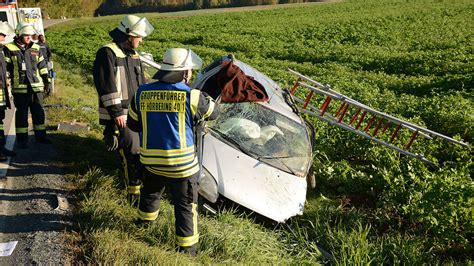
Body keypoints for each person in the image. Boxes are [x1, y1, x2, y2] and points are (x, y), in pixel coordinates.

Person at [127, 48, 219, 256]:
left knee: (150, 194)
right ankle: (187, 251)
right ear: (185, 72)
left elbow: (133, 125)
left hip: (151, 162)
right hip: (183, 167)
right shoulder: (192, 96)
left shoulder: (142, 92)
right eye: (190, 71)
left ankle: (143, 227)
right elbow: (214, 113)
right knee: (186, 206)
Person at [92, 15, 154, 205]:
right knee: (132, 152)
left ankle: (140, 187)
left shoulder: (133, 55)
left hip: (137, 113)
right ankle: (133, 195)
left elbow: (141, 83)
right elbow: (106, 86)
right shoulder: (107, 53)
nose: (141, 40)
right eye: (139, 37)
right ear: (128, 35)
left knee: (141, 151)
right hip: (122, 115)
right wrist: (117, 113)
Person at [3, 22, 51, 148]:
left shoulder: (36, 48)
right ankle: (22, 141)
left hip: (36, 88)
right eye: (26, 36)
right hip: (20, 89)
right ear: (19, 35)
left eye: (31, 35)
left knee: (39, 113)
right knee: (22, 115)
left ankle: (41, 137)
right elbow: (6, 69)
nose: (29, 38)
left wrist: (47, 81)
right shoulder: (9, 49)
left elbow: (42, 66)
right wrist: (6, 86)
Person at [0, 22, 16, 160]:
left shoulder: (1, 49)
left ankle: (1, 147)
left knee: (0, 122)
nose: (4, 38)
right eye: (2, 35)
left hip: (1, 95)